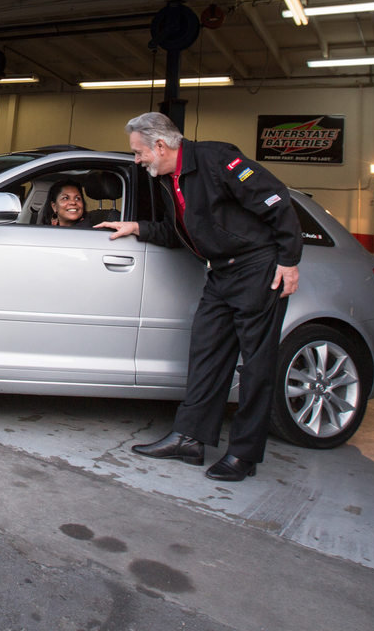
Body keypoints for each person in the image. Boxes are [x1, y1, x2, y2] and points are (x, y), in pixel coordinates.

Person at [96, 112, 301, 482]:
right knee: (206, 352)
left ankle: (243, 455)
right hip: (221, 272)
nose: (137, 160)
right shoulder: (170, 180)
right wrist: (138, 227)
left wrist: (288, 260)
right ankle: (190, 438)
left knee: (256, 365)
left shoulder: (216, 159)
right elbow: (184, 232)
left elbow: (276, 200)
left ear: (160, 146)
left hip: (258, 270)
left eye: (139, 152)